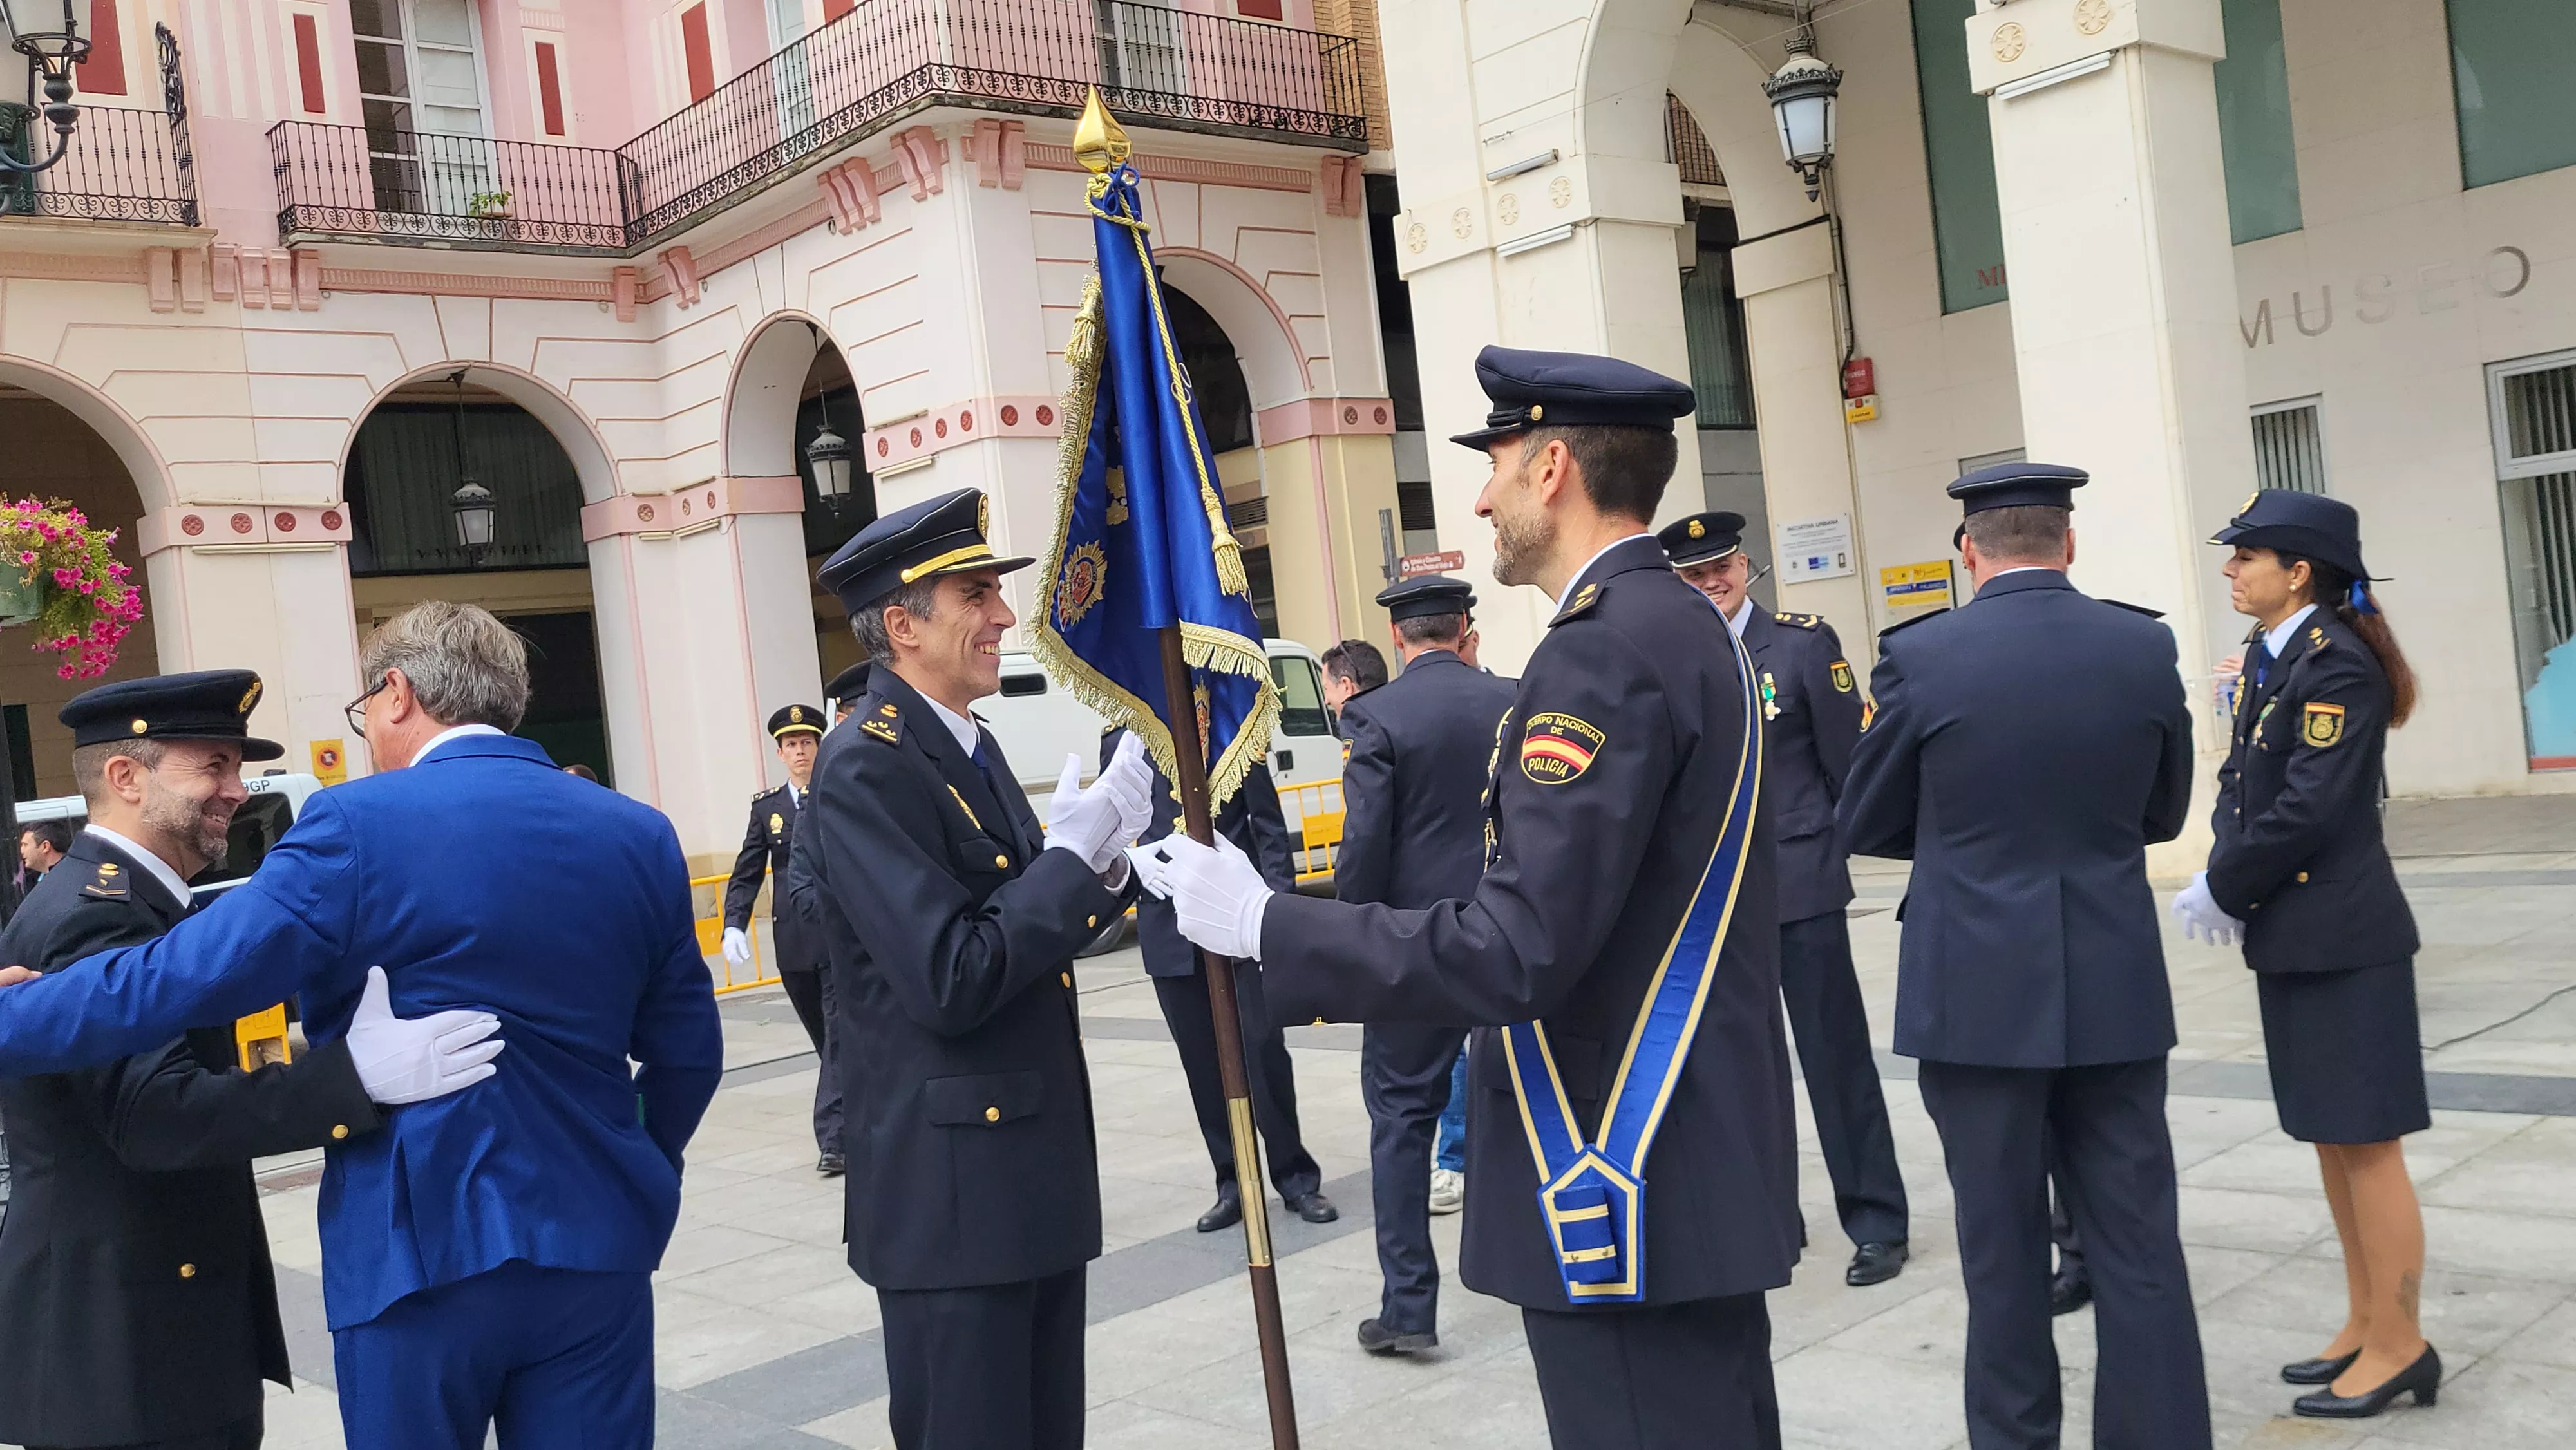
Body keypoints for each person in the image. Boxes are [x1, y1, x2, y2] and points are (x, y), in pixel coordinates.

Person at [1141, 346, 1797, 1450]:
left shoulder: (1601, 654)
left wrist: (1264, 921)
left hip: (1622, 1162)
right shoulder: (1683, 623)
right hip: (1695, 1156)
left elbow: (1514, 947)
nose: (1483, 499)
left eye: (1496, 465)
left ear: (1553, 469)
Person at [0, 601, 727, 1449]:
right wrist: (639, 1162)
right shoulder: (636, 831)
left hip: (414, 1251)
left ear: (396, 693)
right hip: (596, 1243)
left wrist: (16, 1017)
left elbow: (178, 977)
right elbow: (689, 1055)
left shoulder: (358, 823)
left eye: (363, 711)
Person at [0, 670, 500, 1450]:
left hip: (152, 1338)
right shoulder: (95, 914)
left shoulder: (136, 901)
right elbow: (155, 1116)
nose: (237, 789)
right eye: (214, 765)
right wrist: (352, 1078)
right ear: (126, 776)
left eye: (237, 766)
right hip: (125, 1358)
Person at [1835, 463, 2208, 1450]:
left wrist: (1959, 842)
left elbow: (1865, 814)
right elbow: (2165, 809)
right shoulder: (2142, 645)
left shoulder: (1923, 655)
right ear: (2068, 542)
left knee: (2001, 1253)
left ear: (1970, 550)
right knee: (2139, 1244)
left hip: (1974, 990)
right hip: (2114, 979)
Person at [804, 487, 1155, 1450]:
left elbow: (1019, 929)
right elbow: (952, 975)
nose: (1004, 615)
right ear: (904, 624)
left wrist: (1105, 865)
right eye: (977, 595)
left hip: (1021, 1176)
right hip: (951, 1202)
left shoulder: (969, 742)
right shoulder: (866, 763)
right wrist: (1068, 863)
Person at [2174, 489, 2438, 1418]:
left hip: (2345, 938)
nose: (2230, 567)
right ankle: (2367, 1320)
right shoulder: (2271, 653)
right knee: (2331, 1135)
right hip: (2296, 932)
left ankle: (2402, 1343)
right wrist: (2228, 870)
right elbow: (2243, 778)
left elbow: (2309, 807)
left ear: (2298, 572)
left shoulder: (2337, 665)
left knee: (2368, 1143)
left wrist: (2226, 882)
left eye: (2247, 555)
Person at [1661, 509, 1910, 1288]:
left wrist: (1830, 854)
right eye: (1694, 574)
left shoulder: (1802, 645)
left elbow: (1850, 764)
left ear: (1745, 566)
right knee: (1740, 1065)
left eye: (1721, 567)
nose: (1711, 582)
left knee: (1834, 1057)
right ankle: (1770, 1215)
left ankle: (1876, 1219)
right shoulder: (1670, 655)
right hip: (1713, 899)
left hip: (1798, 885)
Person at [1337, 572, 1516, 1355]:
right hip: (1510, 932)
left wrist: (1356, 933)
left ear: (1399, 637)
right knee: (1532, 1102)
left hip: (1415, 946)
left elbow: (1363, 847)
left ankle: (1409, 1307)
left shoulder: (1374, 714)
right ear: (1464, 628)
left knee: (1402, 1118)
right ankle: (1550, 1264)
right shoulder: (1513, 698)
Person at [1103, 725, 1335, 1235]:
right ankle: (1231, 1181)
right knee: (1202, 1066)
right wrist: (1128, 870)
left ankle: (1295, 1175)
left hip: (1236, 922)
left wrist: (1273, 917)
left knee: (1263, 1052)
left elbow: (1268, 826)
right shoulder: (1121, 739)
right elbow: (1111, 835)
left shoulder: (1228, 725)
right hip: (1167, 927)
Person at [724, 702, 844, 1175]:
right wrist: (733, 922)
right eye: (791, 745)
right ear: (779, 753)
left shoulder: (838, 792)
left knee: (838, 1037)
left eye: (807, 742)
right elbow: (748, 870)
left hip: (835, 936)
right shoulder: (767, 807)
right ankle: (856, 1112)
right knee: (826, 1039)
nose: (800, 751)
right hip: (793, 940)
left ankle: (834, 1141)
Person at [1318, 637, 1388, 715]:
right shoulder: (1396, 715)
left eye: (1326, 688)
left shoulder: (1356, 722)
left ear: (1346, 686)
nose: (1326, 701)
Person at [19, 818, 71, 887]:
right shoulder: (35, 880)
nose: (22, 851)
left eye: (25, 845)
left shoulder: (69, 877)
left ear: (45, 846)